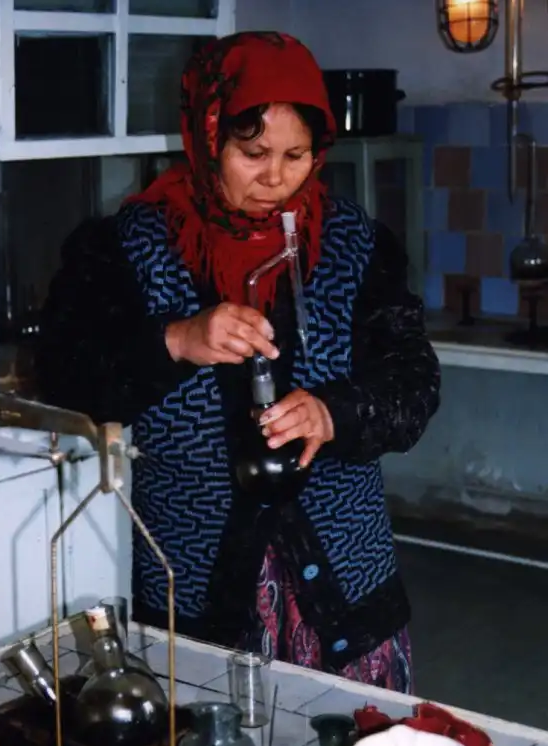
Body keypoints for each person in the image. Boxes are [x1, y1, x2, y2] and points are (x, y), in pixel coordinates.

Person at [36, 31, 440, 693]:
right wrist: (176, 340)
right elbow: (64, 376)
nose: (276, 178)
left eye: (296, 155)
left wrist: (332, 413)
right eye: (252, 154)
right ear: (206, 137)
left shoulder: (355, 245)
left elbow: (414, 383)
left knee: (354, 740)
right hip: (192, 581)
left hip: (347, 584)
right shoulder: (126, 248)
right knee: (204, 745)